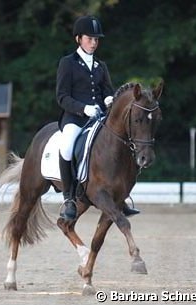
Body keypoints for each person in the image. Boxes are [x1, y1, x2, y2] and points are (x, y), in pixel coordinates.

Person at [56, 15, 140, 221]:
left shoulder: (100, 65)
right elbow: (62, 97)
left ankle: (122, 195)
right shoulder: (68, 63)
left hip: (99, 119)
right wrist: (83, 108)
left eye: (96, 39)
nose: (93, 43)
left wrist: (111, 99)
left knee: (122, 144)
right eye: (89, 38)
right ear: (79, 39)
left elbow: (107, 91)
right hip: (75, 119)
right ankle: (69, 198)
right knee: (67, 146)